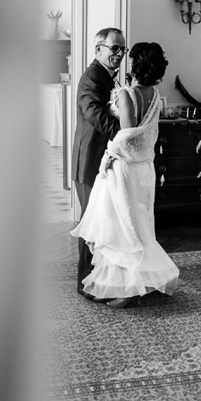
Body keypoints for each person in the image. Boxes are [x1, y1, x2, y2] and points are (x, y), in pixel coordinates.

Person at [71, 42, 179, 307]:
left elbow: (127, 136)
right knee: (137, 226)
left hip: (124, 169)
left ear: (135, 65)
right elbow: (146, 135)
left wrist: (107, 158)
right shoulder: (154, 94)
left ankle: (127, 290)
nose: (122, 57)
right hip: (143, 168)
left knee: (120, 230)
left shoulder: (127, 94)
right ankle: (135, 282)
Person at [71, 27, 126, 300]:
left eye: (122, 50)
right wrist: (125, 132)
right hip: (90, 159)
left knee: (104, 221)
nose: (118, 54)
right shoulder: (90, 78)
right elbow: (95, 113)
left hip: (107, 160)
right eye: (114, 48)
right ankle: (84, 282)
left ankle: (102, 278)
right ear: (98, 49)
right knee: (90, 223)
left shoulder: (112, 78)